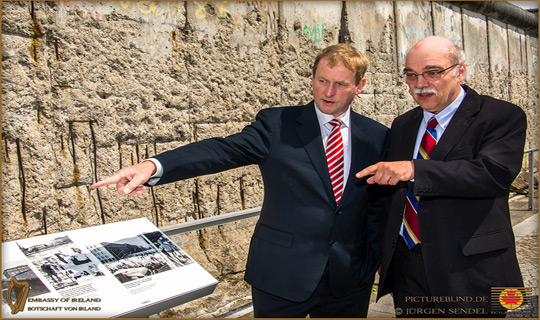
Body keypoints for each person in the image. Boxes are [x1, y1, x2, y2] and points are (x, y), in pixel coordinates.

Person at [92, 43, 389, 318]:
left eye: (340, 84)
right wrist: (153, 165)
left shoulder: (377, 136)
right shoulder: (277, 125)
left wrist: (372, 260)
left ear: (359, 86)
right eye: (322, 80)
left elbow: (377, 206)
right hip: (281, 274)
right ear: (312, 76)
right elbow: (221, 150)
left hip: (350, 280)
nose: (328, 91)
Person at [356, 36, 526, 317]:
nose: (420, 84)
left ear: (460, 71)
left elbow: (493, 174)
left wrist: (414, 168)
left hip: (471, 270)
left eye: (433, 72)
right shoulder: (403, 124)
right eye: (411, 75)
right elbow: (391, 200)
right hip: (408, 268)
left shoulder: (500, 115)